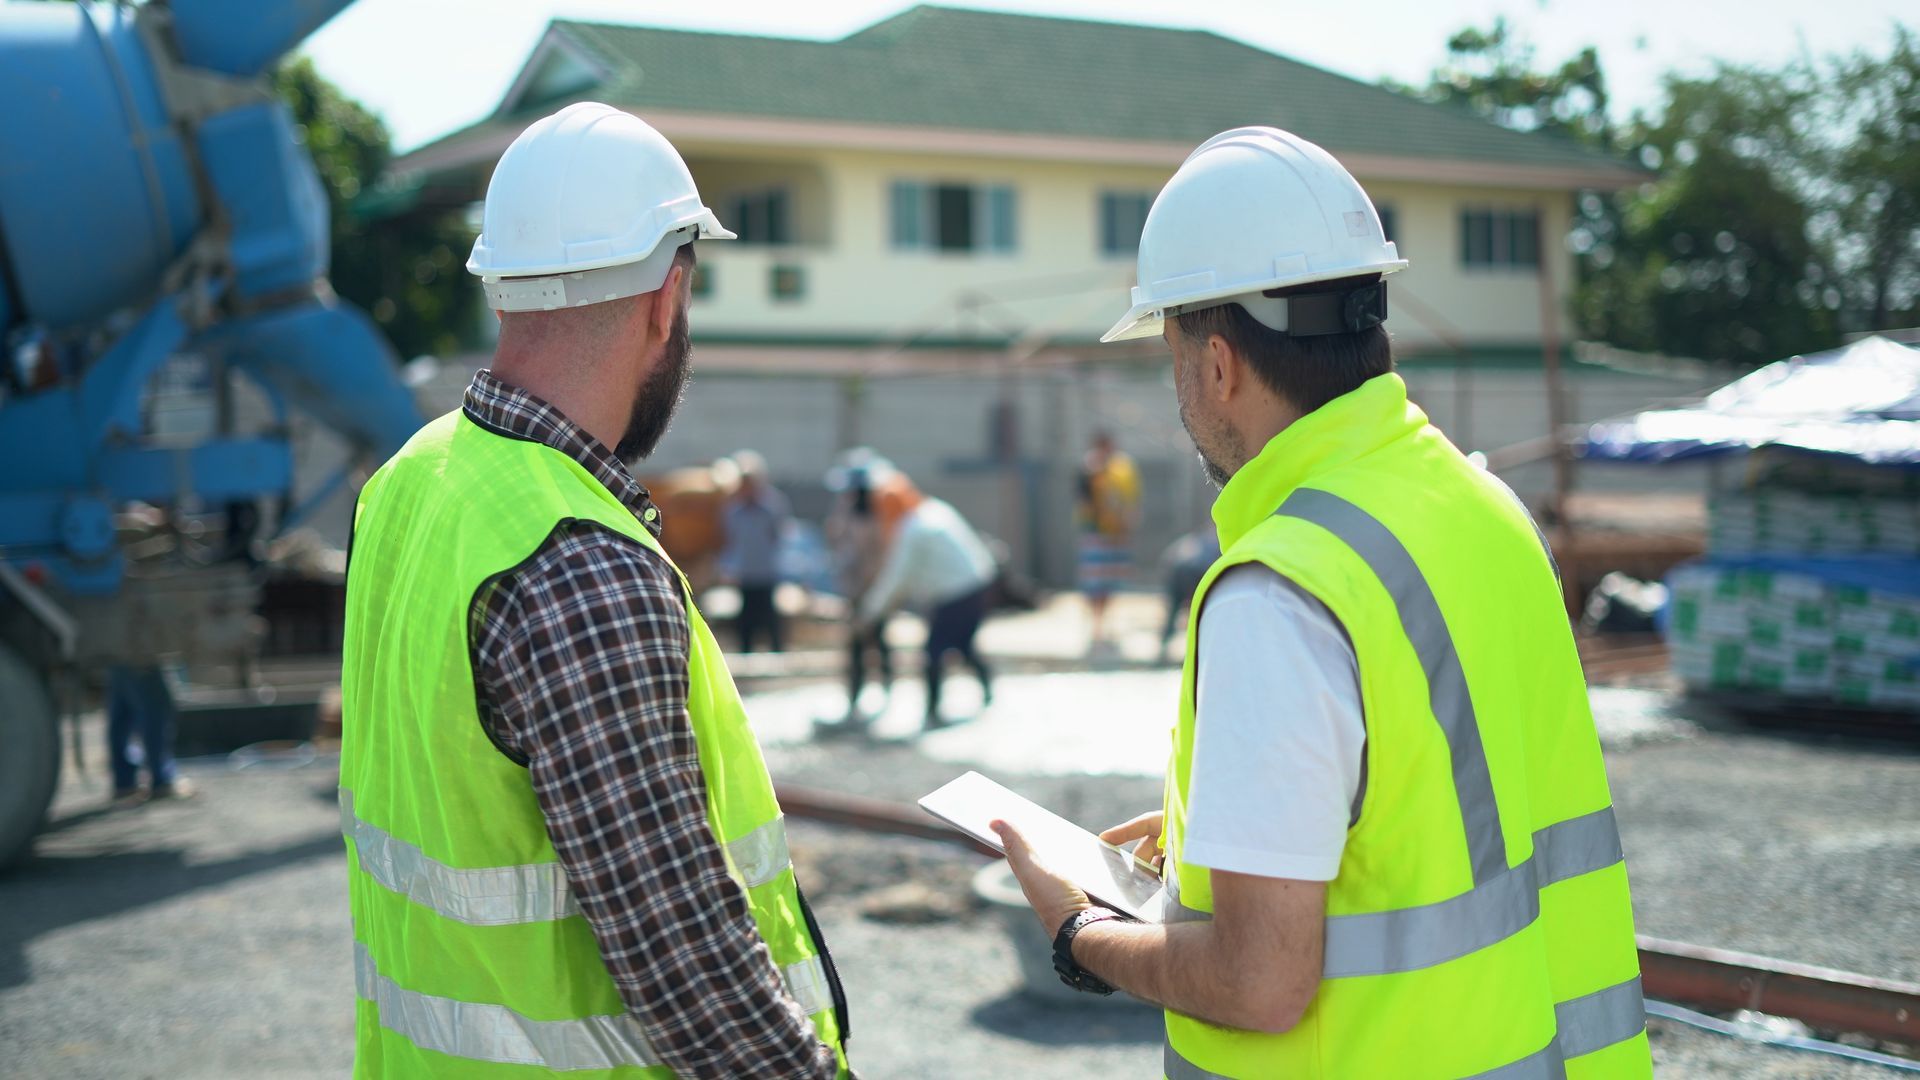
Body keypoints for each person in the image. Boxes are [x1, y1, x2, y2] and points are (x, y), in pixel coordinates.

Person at [992, 126, 1649, 1078]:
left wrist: (1077, 930)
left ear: (1217, 363)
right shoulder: (1481, 507)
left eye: (1172, 355)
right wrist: (1238, 830)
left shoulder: (1283, 586)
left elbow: (1262, 983)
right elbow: (1451, 801)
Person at [338, 103, 849, 1078]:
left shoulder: (407, 483)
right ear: (667, 298)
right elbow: (694, 981)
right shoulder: (580, 565)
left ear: (501, 288)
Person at [857, 473, 996, 730]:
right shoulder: (935, 510)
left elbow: (896, 579)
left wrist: (870, 612)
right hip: (976, 584)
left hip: (957, 591)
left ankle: (933, 709)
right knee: (962, 643)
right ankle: (987, 691)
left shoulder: (913, 529)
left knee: (934, 651)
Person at [823, 449, 895, 725]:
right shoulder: (847, 513)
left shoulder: (877, 516)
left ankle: (886, 688)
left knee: (878, 641)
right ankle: (855, 696)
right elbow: (835, 539)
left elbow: (877, 557)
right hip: (854, 591)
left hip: (872, 591)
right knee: (855, 646)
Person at [1075, 431, 1140, 649]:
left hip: (1115, 533)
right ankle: (1096, 625)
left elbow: (1129, 499)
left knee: (1111, 581)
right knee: (1095, 582)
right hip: (1096, 532)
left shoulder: (1120, 468)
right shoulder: (1090, 468)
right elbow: (1084, 499)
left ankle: (1104, 623)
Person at [722, 449, 791, 653]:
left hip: (767, 569)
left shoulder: (772, 505)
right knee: (746, 616)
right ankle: (746, 652)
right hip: (745, 571)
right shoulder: (733, 510)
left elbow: (779, 534)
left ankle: (777, 653)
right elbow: (730, 539)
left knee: (770, 614)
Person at [105, 665, 191, 807]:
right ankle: (161, 778)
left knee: (123, 705)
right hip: (137, 650)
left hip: (114, 650)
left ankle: (125, 780)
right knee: (155, 705)